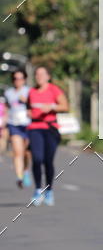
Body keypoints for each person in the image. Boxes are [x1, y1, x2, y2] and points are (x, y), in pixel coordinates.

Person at [26, 66, 69, 206]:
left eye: (42, 74)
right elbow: (28, 108)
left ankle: (49, 190)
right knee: (37, 159)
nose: (39, 77)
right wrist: (28, 113)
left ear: (48, 76)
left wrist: (52, 107)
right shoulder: (31, 91)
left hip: (50, 128)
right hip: (35, 128)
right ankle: (38, 189)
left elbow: (65, 106)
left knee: (47, 161)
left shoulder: (54, 90)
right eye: (37, 74)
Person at [5, 68, 33, 189]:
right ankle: (19, 177)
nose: (18, 81)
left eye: (21, 78)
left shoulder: (29, 91)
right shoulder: (8, 93)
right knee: (18, 152)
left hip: (28, 124)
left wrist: (26, 101)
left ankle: (26, 170)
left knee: (26, 152)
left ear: (25, 80)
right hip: (14, 124)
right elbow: (6, 107)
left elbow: (34, 105)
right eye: (15, 79)